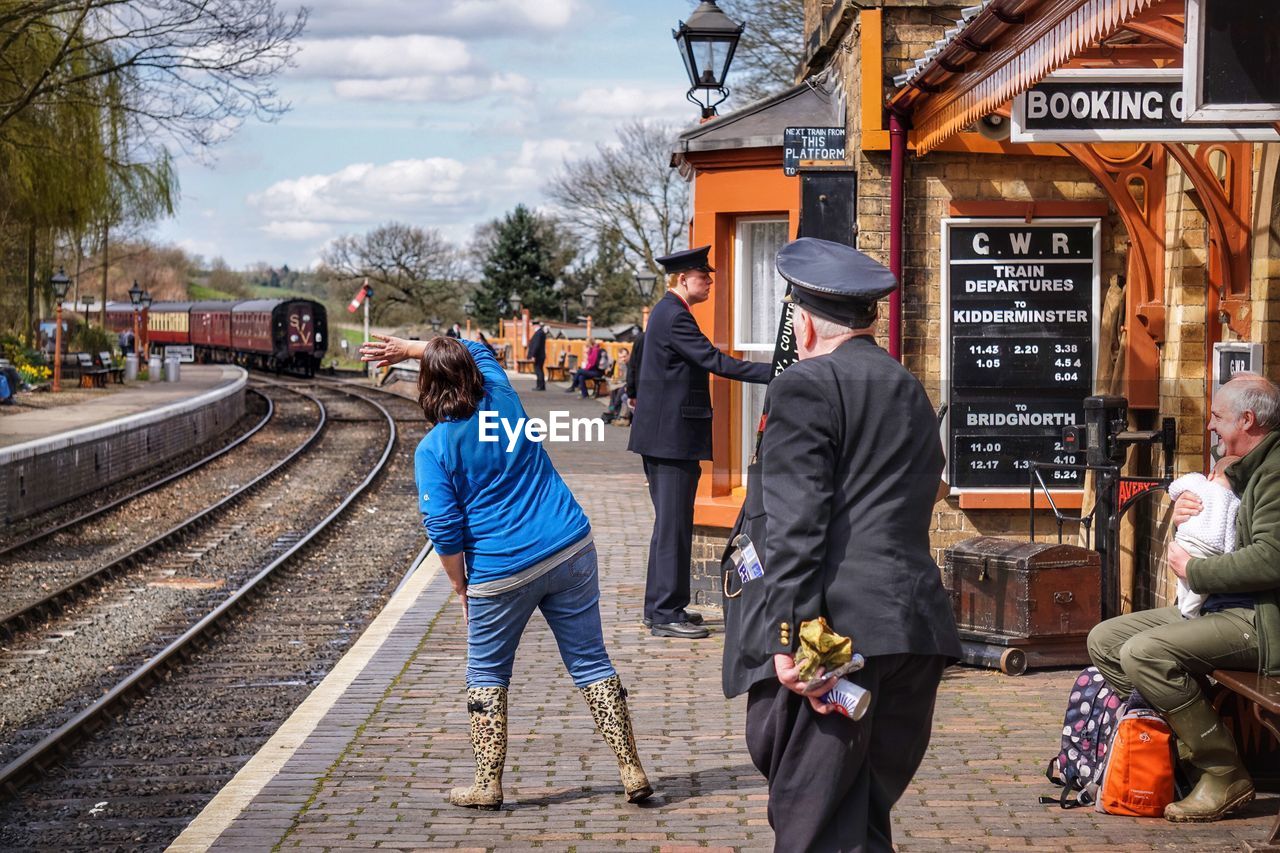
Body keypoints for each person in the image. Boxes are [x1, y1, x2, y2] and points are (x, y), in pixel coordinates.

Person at [722, 237, 962, 852]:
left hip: (837, 641)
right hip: (911, 631)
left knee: (812, 829)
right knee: (860, 822)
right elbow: (927, 488)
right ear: (870, 318)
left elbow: (795, 526)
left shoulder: (806, 385)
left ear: (801, 323)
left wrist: (796, 642)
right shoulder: (905, 385)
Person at [360, 332, 653, 809]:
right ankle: (630, 766)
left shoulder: (434, 450)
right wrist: (415, 347)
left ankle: (487, 783)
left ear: (429, 387)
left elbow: (444, 528)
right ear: (473, 373)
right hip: (568, 545)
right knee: (591, 662)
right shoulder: (502, 396)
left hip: (500, 571)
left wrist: (459, 587)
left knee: (487, 673)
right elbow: (473, 348)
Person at [1088, 372, 1280, 822]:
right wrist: (1185, 517)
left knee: (1146, 654)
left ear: (1247, 419)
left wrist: (1194, 569)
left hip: (1263, 621)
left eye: (1217, 417)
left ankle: (1222, 770)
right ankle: (1178, 751)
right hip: (1223, 606)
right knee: (1106, 641)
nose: (1210, 426)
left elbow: (1271, 559)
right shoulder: (1241, 469)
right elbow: (1221, 534)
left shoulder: (1274, 474)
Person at [629, 245, 773, 639]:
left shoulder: (669, 313)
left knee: (673, 524)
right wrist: (775, 370)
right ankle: (663, 613)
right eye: (702, 276)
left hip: (668, 437)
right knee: (673, 525)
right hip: (669, 438)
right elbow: (714, 361)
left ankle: (664, 605)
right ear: (682, 279)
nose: (709, 282)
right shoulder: (675, 316)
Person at [1167, 455, 1241, 619]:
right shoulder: (1234, 500)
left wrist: (1177, 497)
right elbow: (1230, 532)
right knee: (1200, 589)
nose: (1210, 427)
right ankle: (1190, 611)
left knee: (1184, 581)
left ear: (1212, 473)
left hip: (1184, 541)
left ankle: (1182, 607)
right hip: (1208, 551)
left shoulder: (1198, 483)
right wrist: (1227, 554)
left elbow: (1174, 486)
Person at [602, 348, 631, 424]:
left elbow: (630, 378)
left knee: (620, 390)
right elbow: (622, 377)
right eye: (621, 357)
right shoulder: (622, 364)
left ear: (628, 355)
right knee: (614, 390)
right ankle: (611, 410)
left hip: (632, 385)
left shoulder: (632, 363)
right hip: (627, 383)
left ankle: (614, 410)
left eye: (624, 356)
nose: (623, 359)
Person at [527, 319, 548, 391]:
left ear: (536, 325)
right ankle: (540, 385)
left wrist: (533, 355)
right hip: (540, 355)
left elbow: (537, 345)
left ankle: (540, 386)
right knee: (539, 370)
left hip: (538, 355)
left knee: (538, 370)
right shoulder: (540, 332)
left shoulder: (539, 333)